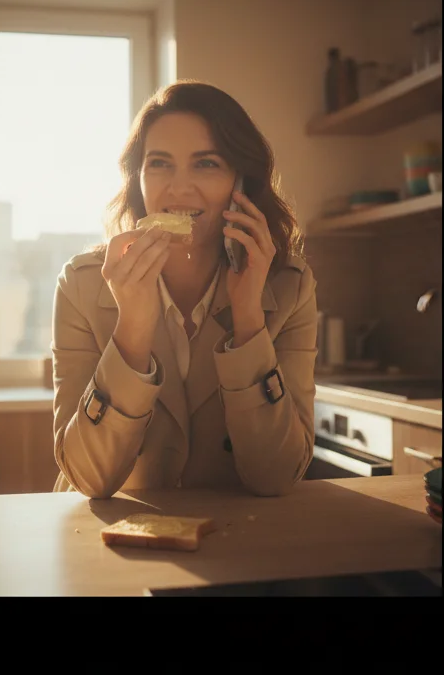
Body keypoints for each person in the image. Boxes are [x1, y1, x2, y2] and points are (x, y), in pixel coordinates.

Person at [51, 80, 316, 498]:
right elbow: (88, 479)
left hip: (235, 544)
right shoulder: (82, 285)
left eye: (206, 164)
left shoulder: (289, 287)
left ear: (240, 182)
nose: (178, 189)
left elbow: (277, 476)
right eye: (159, 164)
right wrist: (132, 333)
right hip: (109, 546)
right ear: (136, 178)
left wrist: (248, 319)